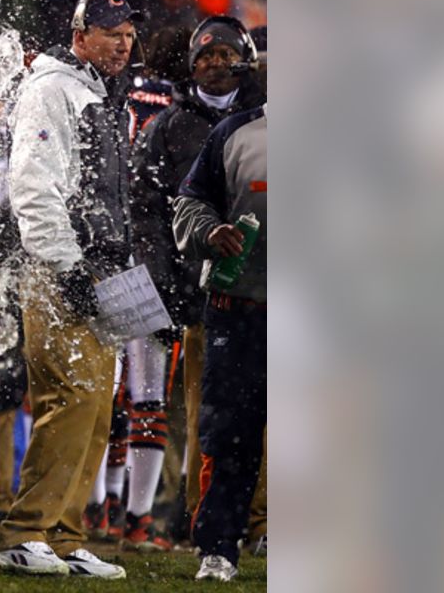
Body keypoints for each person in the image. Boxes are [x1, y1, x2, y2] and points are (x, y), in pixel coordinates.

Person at [0, 0, 144, 579]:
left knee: (94, 406)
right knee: (70, 397)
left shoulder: (97, 94)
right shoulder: (53, 89)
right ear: (80, 35)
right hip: (61, 267)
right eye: (111, 33)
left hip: (96, 268)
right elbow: (32, 187)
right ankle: (25, 531)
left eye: (130, 34)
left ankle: (61, 533)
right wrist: (67, 268)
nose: (123, 44)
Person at [130, 15, 265, 548]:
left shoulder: (272, 120)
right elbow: (146, 213)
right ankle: (205, 525)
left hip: (276, 293)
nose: (214, 63)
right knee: (208, 421)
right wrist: (168, 281)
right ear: (190, 63)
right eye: (204, 55)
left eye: (224, 53)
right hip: (205, 296)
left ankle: (265, 523)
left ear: (244, 57)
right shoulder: (169, 125)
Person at [172, 101, 267, 583]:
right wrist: (210, 230)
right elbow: (189, 201)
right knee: (230, 435)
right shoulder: (235, 131)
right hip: (242, 308)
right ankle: (218, 548)